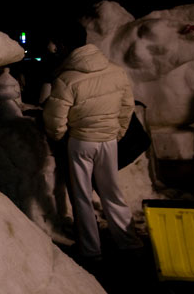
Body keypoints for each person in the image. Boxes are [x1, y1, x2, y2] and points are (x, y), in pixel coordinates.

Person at [42, 20, 141, 264]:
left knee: (82, 197)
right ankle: (128, 242)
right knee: (112, 192)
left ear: (64, 45)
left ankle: (90, 249)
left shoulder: (66, 78)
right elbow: (127, 107)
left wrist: (60, 136)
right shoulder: (116, 71)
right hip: (108, 141)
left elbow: (55, 119)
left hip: (80, 142)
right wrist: (117, 132)